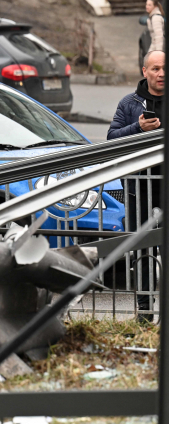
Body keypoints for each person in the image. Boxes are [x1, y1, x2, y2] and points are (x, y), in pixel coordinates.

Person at [108, 50, 164, 323]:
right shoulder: (130, 103)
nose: (161, 73)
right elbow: (111, 138)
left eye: (164, 68)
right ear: (144, 71)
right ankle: (144, 312)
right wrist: (138, 128)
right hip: (138, 186)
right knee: (141, 248)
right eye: (155, 68)